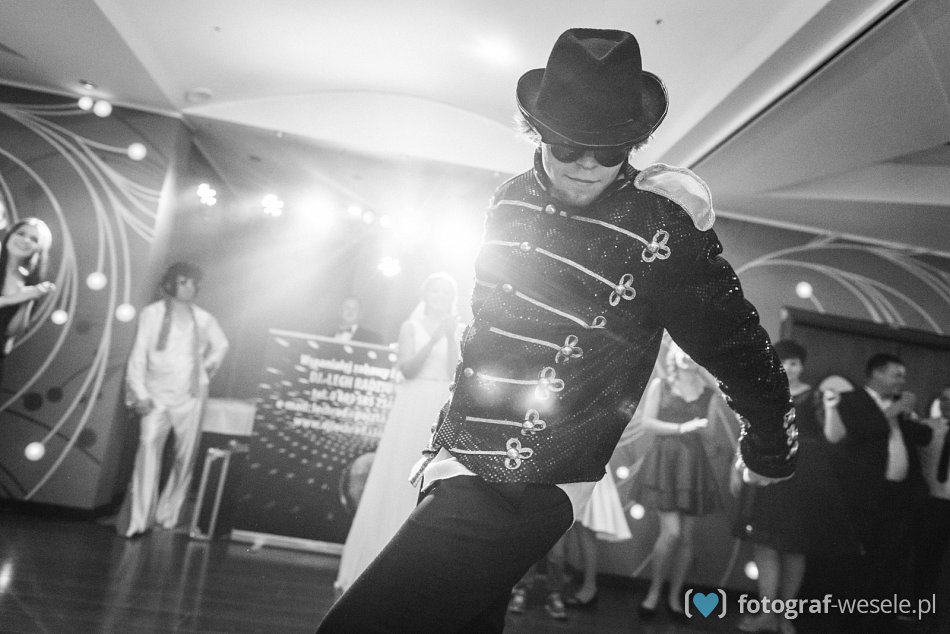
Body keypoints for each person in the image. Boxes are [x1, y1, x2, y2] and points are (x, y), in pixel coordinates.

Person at [317, 28, 795, 633]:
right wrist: (445, 441)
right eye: (569, 146)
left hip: (536, 478)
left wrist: (769, 443)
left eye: (610, 149)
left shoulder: (663, 226)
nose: (588, 164)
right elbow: (485, 333)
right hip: (457, 460)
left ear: (633, 145)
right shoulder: (509, 201)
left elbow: (735, 343)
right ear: (538, 133)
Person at [333, 272, 460, 593]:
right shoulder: (410, 326)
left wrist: (449, 337)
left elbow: (452, 374)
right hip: (413, 402)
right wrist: (434, 337)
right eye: (435, 290)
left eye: (446, 292)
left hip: (439, 405)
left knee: (429, 480)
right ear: (425, 294)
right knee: (399, 474)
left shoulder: (457, 329)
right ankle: (373, 561)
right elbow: (408, 369)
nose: (440, 296)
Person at [732, 340, 857, 634]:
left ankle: (784, 616)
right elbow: (748, 433)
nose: (789, 367)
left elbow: (835, 436)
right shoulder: (763, 392)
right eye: (783, 361)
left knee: (795, 549)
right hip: (766, 473)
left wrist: (832, 408)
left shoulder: (816, 396)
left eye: (795, 362)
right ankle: (767, 615)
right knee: (764, 545)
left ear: (802, 366)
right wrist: (736, 466)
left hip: (804, 479)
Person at [117, 262, 229, 538]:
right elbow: (138, 354)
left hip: (190, 396)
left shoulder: (203, 318)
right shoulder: (152, 313)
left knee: (184, 457)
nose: (188, 288)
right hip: (156, 395)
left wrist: (204, 370)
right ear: (170, 284)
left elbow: (222, 345)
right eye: (182, 282)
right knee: (147, 449)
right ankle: (139, 519)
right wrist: (140, 393)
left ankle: (169, 515)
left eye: (192, 283)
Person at [824, 352, 932, 632]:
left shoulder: (900, 406)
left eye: (903, 376)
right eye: (897, 375)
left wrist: (909, 415)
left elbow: (924, 437)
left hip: (899, 497)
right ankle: (845, 623)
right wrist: (893, 411)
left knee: (889, 564)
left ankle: (879, 623)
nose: (902, 381)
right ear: (877, 373)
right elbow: (858, 433)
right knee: (857, 564)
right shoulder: (851, 400)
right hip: (863, 497)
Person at [632, 343, 721, 619]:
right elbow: (647, 422)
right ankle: (653, 593)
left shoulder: (709, 393)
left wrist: (711, 395)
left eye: (691, 351)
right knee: (672, 532)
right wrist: (683, 427)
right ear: (672, 353)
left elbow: (711, 434)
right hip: (664, 462)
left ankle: (674, 597)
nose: (686, 355)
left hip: (693, 464)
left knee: (687, 537)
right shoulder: (661, 385)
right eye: (681, 350)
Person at [562, 468, 632, 609]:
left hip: (586, 472)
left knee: (584, 528)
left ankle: (589, 587)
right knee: (577, 526)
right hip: (577, 471)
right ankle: (581, 584)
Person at [911, 384, 950, 633]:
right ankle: (921, 614)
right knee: (925, 561)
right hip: (932, 504)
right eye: (944, 398)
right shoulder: (926, 427)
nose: (947, 403)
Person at [0, 218, 55, 377]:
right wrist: (13, 299)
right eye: (21, 233)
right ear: (10, 235)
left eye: (34, 239)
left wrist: (30, 297)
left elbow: (12, 332)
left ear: (39, 248)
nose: (25, 240)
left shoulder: (29, 282)